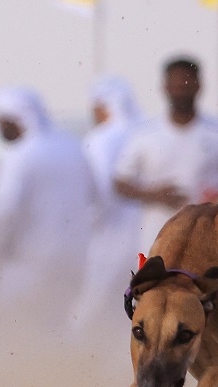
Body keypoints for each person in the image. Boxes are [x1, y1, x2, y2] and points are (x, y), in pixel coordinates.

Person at [112, 56, 218, 251]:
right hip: (157, 239)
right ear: (165, 87)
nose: (181, 89)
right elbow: (120, 182)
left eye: (186, 82)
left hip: (208, 239)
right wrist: (153, 194)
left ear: (198, 85)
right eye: (175, 84)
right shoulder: (144, 135)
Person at [0, 86, 96, 331]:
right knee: (54, 330)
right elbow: (93, 196)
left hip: (28, 265)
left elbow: (4, 214)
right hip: (74, 262)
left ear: (15, 120)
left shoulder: (20, 156)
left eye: (2, 122)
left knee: (16, 333)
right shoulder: (72, 147)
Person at [73, 76, 145, 328]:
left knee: (90, 308)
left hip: (108, 237)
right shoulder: (145, 130)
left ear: (104, 106)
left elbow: (99, 193)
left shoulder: (101, 139)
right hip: (144, 239)